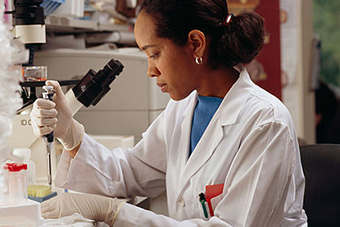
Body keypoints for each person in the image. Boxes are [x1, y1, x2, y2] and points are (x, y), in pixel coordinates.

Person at [30, 0, 308, 226]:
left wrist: (115, 213)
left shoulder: (266, 122)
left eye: (154, 54)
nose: (150, 70)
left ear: (196, 44)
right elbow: (129, 173)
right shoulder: (184, 108)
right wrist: (72, 135)